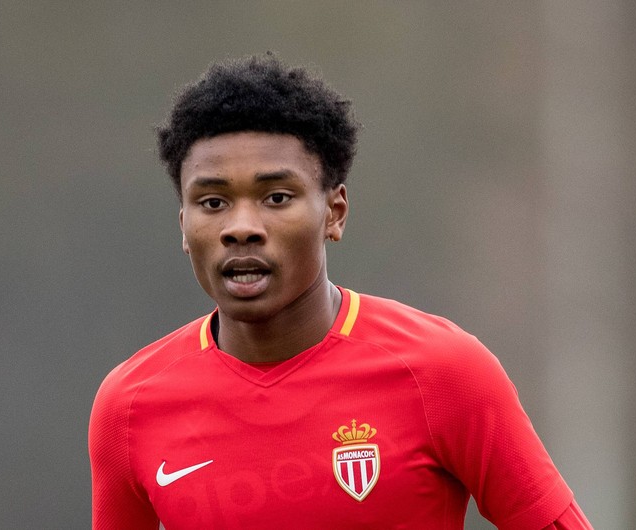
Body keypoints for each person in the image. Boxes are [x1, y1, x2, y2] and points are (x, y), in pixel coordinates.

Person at [89, 53, 592, 529]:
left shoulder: (444, 374)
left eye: (277, 197)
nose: (241, 227)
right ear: (184, 226)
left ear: (334, 212)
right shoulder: (128, 408)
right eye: (214, 202)